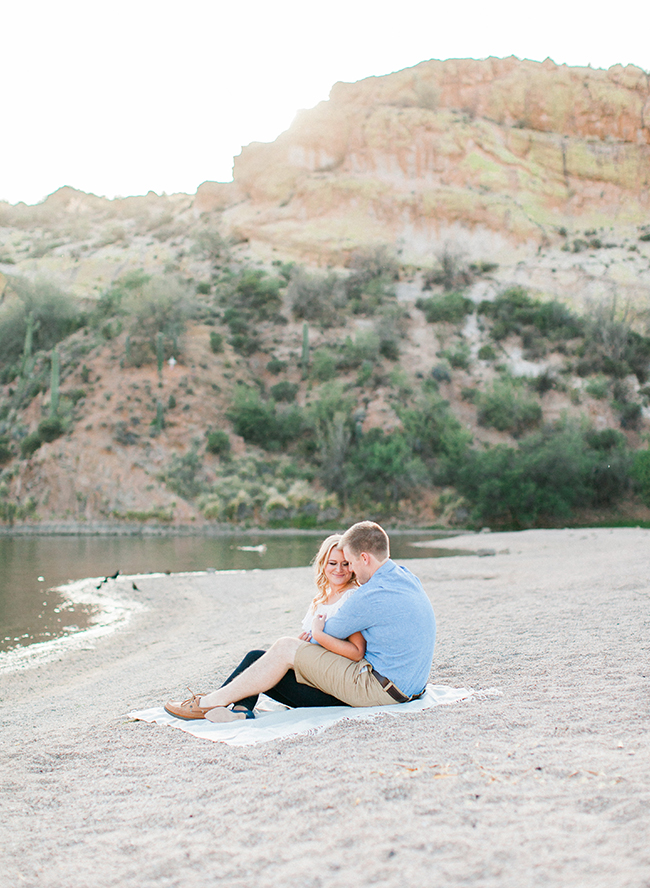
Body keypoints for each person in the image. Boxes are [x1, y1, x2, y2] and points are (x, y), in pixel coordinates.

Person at [164, 521, 436, 723]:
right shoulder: (405, 577)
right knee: (268, 657)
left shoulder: (367, 595)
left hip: (381, 688)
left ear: (364, 557)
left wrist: (316, 630)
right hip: (408, 687)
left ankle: (207, 703)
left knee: (284, 648)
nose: (349, 570)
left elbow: (319, 638)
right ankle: (234, 707)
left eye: (351, 562)